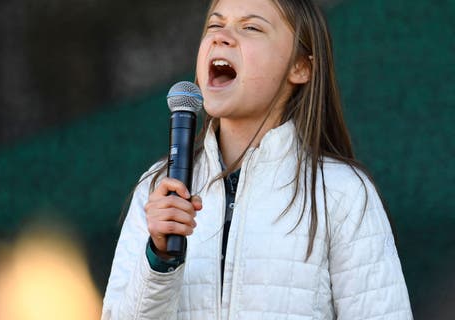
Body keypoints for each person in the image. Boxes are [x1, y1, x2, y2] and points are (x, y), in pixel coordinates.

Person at [102, 0, 413, 319]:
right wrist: (159, 259)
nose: (222, 37)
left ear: (301, 67)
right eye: (214, 25)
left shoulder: (342, 192)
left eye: (251, 27)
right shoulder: (157, 188)